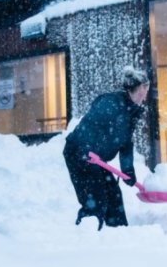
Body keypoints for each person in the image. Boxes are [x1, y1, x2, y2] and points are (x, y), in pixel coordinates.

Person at [63, 66, 150, 230]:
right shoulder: (111, 103)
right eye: (144, 90)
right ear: (137, 89)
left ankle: (119, 234)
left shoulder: (131, 111)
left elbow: (125, 143)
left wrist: (128, 170)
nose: (145, 95)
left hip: (96, 159)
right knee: (95, 200)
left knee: (114, 195)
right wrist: (85, 150)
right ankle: (87, 239)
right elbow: (89, 125)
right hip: (78, 154)